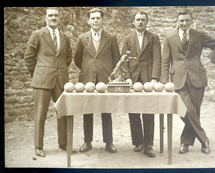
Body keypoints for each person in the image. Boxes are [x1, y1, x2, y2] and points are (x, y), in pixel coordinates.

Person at [161, 9, 215, 154]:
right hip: (177, 79)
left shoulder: (199, 35)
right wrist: (165, 81)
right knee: (186, 110)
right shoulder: (169, 38)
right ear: (177, 21)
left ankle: (185, 142)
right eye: (181, 20)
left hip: (197, 78)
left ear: (192, 21)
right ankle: (204, 139)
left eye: (187, 20)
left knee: (194, 112)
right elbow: (165, 61)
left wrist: (209, 59)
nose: (184, 23)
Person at [24, 7, 72, 157]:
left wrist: (60, 71)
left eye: (56, 15)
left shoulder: (65, 37)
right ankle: (38, 147)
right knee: (40, 114)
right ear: (45, 18)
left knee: (63, 112)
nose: (53, 18)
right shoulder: (37, 35)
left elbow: (68, 58)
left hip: (61, 80)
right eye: (50, 15)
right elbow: (29, 58)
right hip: (42, 81)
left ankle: (63, 144)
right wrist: (38, 74)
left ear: (59, 18)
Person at [74, 8, 120, 153]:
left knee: (107, 111)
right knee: (87, 111)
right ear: (88, 21)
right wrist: (89, 69)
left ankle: (109, 142)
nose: (95, 21)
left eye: (98, 18)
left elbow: (116, 59)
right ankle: (87, 142)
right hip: (87, 79)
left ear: (102, 20)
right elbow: (77, 58)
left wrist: (106, 72)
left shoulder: (111, 38)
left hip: (105, 80)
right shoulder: (82, 38)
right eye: (92, 18)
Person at [121, 11, 161, 157]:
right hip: (133, 78)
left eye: (143, 20)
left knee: (148, 111)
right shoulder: (127, 39)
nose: (140, 22)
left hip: (148, 79)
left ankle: (149, 145)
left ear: (147, 22)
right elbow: (124, 60)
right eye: (137, 20)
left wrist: (154, 78)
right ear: (133, 22)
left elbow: (157, 59)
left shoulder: (154, 38)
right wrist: (127, 78)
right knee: (133, 111)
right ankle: (138, 142)